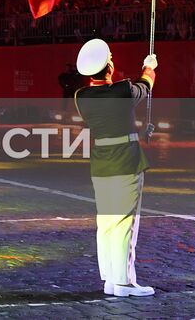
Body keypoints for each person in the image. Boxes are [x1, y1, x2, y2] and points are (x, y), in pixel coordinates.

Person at [73, 38, 158, 298]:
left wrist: (137, 131)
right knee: (124, 224)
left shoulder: (81, 97)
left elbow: (113, 120)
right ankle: (123, 282)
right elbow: (145, 86)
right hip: (125, 162)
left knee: (107, 223)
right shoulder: (122, 90)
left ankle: (111, 279)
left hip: (101, 164)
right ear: (109, 67)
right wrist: (149, 67)